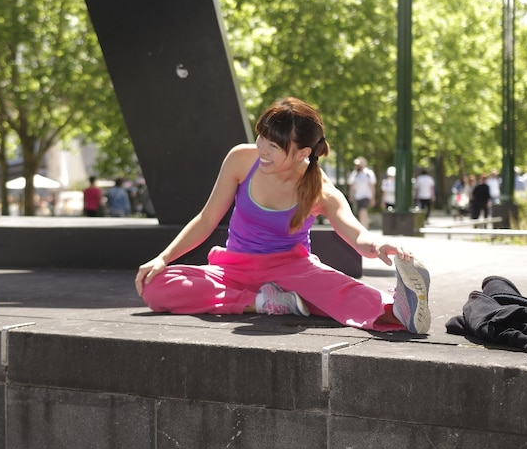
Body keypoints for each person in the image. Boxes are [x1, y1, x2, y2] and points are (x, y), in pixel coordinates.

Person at [135, 97, 431, 335]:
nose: (262, 148)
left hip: (292, 270)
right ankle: (262, 303)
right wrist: (163, 258)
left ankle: (399, 308)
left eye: (274, 146)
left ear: (303, 153)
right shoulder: (241, 159)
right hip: (234, 268)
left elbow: (355, 232)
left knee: (338, 290)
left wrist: (379, 246)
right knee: (156, 285)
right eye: (262, 137)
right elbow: (207, 218)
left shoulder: (320, 190)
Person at [348, 156, 376, 229]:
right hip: (357, 196)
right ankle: (362, 226)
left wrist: (373, 197)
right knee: (359, 212)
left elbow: (372, 186)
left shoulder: (368, 173)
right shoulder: (354, 174)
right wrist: (351, 195)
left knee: (363, 211)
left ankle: (365, 227)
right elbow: (352, 186)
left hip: (366, 195)